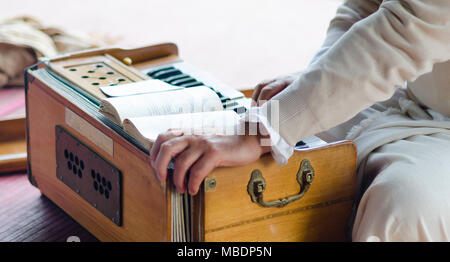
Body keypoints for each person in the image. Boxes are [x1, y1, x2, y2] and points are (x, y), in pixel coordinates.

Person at [150, 0, 450, 241]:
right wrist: (307, 83)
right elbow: (367, 8)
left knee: (404, 207)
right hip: (413, 94)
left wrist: (260, 131)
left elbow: (406, 29)